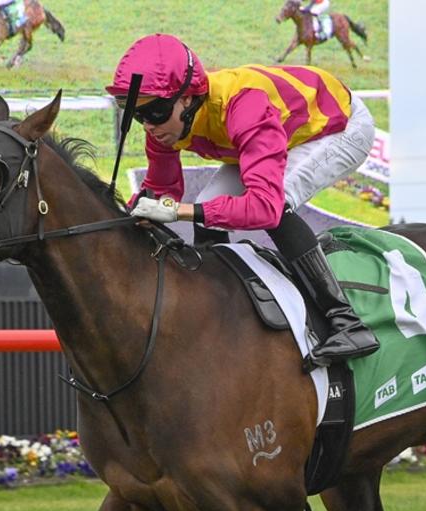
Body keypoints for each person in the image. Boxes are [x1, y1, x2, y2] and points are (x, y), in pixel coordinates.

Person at [105, 33, 378, 369]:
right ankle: (220, 308)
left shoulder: (244, 106)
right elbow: (161, 191)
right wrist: (134, 211)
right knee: (209, 204)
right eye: (138, 115)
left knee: (277, 204)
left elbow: (264, 208)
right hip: (274, 132)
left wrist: (180, 212)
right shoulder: (163, 127)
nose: (148, 125)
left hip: (339, 126)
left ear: (187, 99)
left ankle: (347, 322)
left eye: (156, 112)